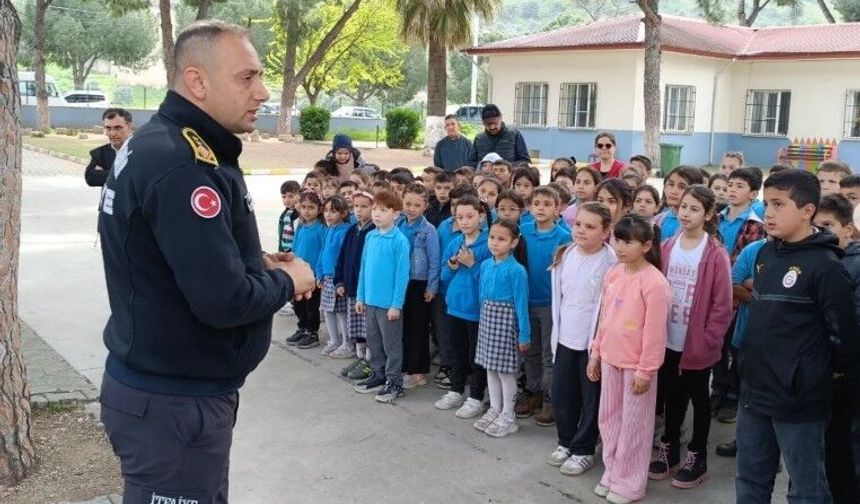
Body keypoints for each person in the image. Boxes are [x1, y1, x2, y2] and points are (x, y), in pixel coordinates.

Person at [96, 21, 315, 503]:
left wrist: (250, 259)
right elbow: (223, 300)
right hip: (172, 403)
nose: (262, 91)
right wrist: (288, 278)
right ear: (197, 82)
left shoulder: (168, 143)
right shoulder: (181, 165)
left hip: (174, 395)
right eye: (247, 77)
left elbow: (166, 251)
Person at [736, 169, 860, 504]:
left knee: (806, 488)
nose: (769, 213)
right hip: (755, 392)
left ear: (807, 211)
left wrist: (814, 380)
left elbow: (844, 340)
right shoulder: (765, 254)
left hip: (798, 401)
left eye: (778, 204)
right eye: (765, 204)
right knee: (750, 479)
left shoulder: (826, 266)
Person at [649, 186, 733, 490]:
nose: (685, 213)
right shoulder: (669, 246)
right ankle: (669, 446)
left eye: (694, 208)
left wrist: (710, 340)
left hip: (697, 344)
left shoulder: (715, 254)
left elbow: (722, 305)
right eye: (683, 207)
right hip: (668, 338)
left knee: (699, 399)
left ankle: (697, 455)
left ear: (708, 214)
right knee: (672, 395)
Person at [587, 214, 670, 504]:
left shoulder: (655, 283)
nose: (620, 247)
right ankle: (612, 472)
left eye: (628, 242)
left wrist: (646, 371)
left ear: (646, 245)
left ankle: (630, 482)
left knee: (634, 426)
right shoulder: (614, 274)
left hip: (637, 365)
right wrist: (595, 354)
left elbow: (655, 333)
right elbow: (604, 318)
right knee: (608, 419)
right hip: (610, 358)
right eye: (617, 240)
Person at [548, 202, 617, 476]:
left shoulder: (611, 263)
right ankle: (565, 440)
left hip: (593, 344)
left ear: (605, 231)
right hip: (565, 337)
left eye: (590, 227)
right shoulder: (566, 254)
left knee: (591, 397)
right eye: (578, 224)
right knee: (563, 393)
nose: (582, 231)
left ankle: (584, 448)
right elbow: (561, 299)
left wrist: (597, 350)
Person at [812, 194, 860, 504]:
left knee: (844, 444)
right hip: (820, 371)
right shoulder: (818, 260)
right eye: (818, 226)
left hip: (843, 372)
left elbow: (849, 322)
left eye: (828, 225)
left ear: (849, 230)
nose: (823, 232)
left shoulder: (851, 265)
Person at [711, 167, 765, 423]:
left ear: (753, 193)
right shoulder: (717, 218)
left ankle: (732, 395)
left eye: (740, 186)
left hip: (736, 297)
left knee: (735, 346)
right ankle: (718, 389)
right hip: (715, 294)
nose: (732, 189)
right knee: (716, 345)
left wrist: (732, 277)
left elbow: (744, 267)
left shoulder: (754, 225)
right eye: (730, 184)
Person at [517, 186, 572, 426]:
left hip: (550, 304)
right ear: (529, 207)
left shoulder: (564, 236)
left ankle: (551, 399)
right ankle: (533, 392)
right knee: (530, 351)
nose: (541, 208)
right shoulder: (524, 231)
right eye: (536, 203)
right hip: (526, 300)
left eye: (547, 204)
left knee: (550, 355)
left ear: (558, 208)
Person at [473, 219, 531, 438]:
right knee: (490, 367)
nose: (494, 243)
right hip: (488, 321)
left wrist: (524, 334)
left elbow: (521, 304)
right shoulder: (486, 265)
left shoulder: (516, 271)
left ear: (514, 242)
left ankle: (508, 415)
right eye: (492, 237)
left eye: (501, 239)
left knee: (506, 371)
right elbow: (482, 296)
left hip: (506, 323)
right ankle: (495, 409)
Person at [435, 196, 492, 417]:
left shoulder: (488, 243)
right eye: (460, 217)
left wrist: (472, 265)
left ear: (481, 216)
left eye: (470, 216)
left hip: (477, 310)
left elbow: (489, 279)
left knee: (476, 356)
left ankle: (476, 396)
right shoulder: (455, 242)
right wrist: (451, 266)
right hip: (455, 306)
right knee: (456, 352)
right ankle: (456, 390)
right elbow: (444, 275)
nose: (465, 221)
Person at [353, 190, 411, 403]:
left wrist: (396, 304)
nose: (377, 214)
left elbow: (402, 276)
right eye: (375, 209)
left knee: (391, 345)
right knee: (374, 342)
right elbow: (364, 269)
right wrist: (360, 297)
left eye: (383, 210)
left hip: (389, 306)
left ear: (395, 214)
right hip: (370, 302)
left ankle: (394, 382)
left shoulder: (399, 241)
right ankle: (378, 375)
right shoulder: (371, 236)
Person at [397, 183, 440, 389]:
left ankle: (418, 371)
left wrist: (431, 286)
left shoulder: (428, 229)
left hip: (419, 283)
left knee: (418, 328)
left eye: (417, 205)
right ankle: (404, 366)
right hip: (400, 282)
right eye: (408, 204)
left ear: (425, 206)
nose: (411, 208)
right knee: (402, 327)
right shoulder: (398, 224)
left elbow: (434, 259)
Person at [335, 190, 377, 378]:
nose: (358, 211)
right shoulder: (352, 230)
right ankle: (361, 357)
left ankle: (371, 360)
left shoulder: (374, 231)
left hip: (367, 291)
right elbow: (343, 256)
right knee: (357, 327)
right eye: (356, 206)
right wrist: (339, 280)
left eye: (364, 207)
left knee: (369, 328)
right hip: (352, 288)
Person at [286, 191, 327, 349]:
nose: (307, 211)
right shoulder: (301, 226)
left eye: (311, 207)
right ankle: (302, 328)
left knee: (311, 305)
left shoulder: (321, 229)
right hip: (299, 274)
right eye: (303, 207)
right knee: (298, 304)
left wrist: (318, 273)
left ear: (319, 209)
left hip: (313, 276)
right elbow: (295, 249)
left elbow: (323, 251)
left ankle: (312, 332)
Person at [318, 196, 351, 357]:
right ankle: (334, 340)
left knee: (340, 311)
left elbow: (344, 258)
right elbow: (322, 253)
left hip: (337, 279)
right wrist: (319, 273)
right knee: (327, 311)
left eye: (333, 211)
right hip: (326, 277)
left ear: (344, 213)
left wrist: (342, 280)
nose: (328, 215)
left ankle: (346, 342)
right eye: (326, 211)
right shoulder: (328, 230)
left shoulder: (345, 231)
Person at [653, 166, 706, 243]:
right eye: (671, 184)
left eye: (681, 187)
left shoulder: (698, 225)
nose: (674, 191)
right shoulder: (656, 220)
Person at [84, 108, 133, 187]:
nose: (112, 133)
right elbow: (90, 178)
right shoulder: (99, 153)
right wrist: (126, 175)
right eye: (108, 128)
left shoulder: (141, 150)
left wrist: (104, 174)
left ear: (129, 126)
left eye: (118, 128)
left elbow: (143, 178)